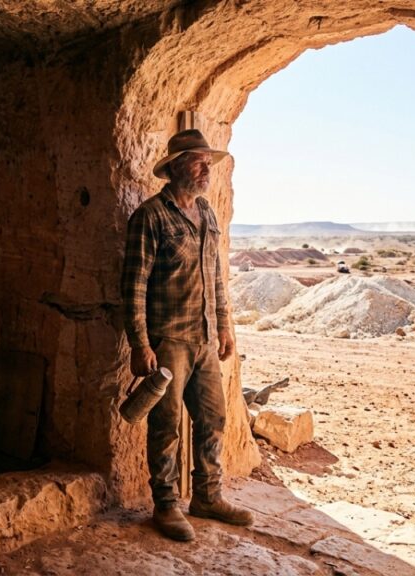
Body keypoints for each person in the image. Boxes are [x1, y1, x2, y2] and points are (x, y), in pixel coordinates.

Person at [121, 128, 254, 541]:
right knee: (166, 424)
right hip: (168, 341)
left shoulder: (207, 213)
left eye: (208, 163)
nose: (206, 170)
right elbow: (134, 285)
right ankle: (165, 505)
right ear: (176, 167)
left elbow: (216, 276)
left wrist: (224, 325)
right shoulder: (150, 216)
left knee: (213, 418)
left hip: (205, 339)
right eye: (198, 162)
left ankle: (207, 497)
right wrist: (140, 343)